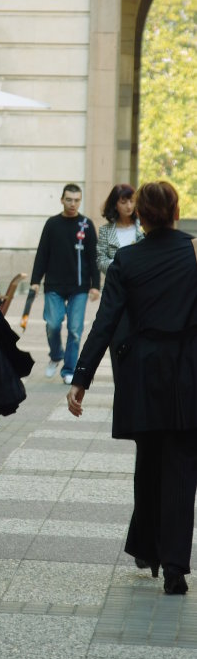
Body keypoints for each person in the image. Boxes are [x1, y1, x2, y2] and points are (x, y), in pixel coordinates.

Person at [67, 181, 197, 595]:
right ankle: (174, 565)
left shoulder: (126, 259)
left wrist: (80, 378)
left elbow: (105, 321)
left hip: (142, 373)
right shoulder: (194, 252)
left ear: (140, 215)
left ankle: (150, 549)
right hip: (187, 370)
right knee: (181, 466)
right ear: (176, 212)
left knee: (149, 458)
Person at [29, 183, 100, 384]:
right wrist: (36, 280)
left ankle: (69, 369)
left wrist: (96, 285)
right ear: (62, 200)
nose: (72, 203)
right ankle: (55, 355)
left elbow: (93, 256)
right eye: (69, 199)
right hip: (54, 284)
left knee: (75, 330)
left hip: (79, 286)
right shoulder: (52, 224)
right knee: (53, 324)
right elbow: (42, 252)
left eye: (77, 200)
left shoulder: (86, 224)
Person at [97, 184, 144, 381]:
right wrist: (121, 268)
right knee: (116, 339)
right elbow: (100, 259)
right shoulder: (106, 230)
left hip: (139, 295)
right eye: (123, 201)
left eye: (131, 201)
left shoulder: (142, 228)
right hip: (114, 293)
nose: (128, 206)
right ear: (115, 204)